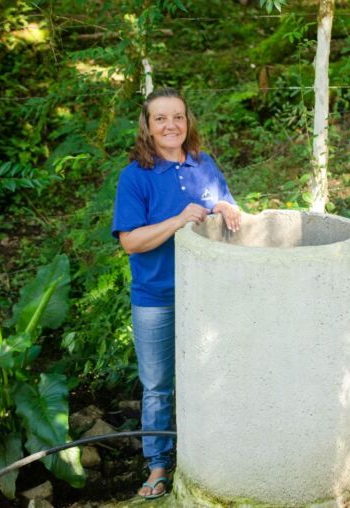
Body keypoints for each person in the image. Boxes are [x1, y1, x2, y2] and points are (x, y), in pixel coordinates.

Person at [112, 87, 241, 499]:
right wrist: (178, 220)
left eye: (178, 117)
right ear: (147, 128)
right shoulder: (135, 176)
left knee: (211, 378)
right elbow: (131, 241)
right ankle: (158, 465)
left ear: (188, 123)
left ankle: (211, 456)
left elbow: (225, 203)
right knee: (158, 386)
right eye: (161, 119)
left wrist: (228, 209)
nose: (171, 125)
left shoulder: (204, 165)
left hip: (207, 298)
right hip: (157, 298)